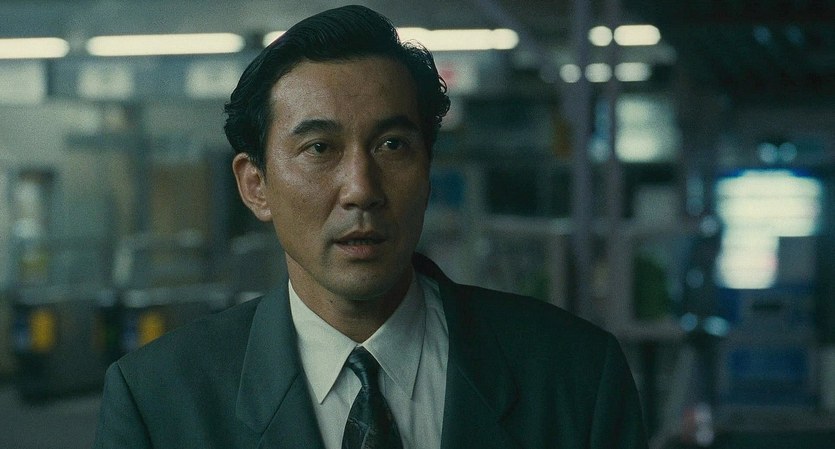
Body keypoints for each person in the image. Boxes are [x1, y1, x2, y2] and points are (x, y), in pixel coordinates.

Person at [93, 5, 648, 449]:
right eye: (319, 148)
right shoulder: (159, 401)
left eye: (392, 145)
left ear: (427, 170)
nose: (361, 188)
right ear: (256, 185)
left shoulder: (574, 376)